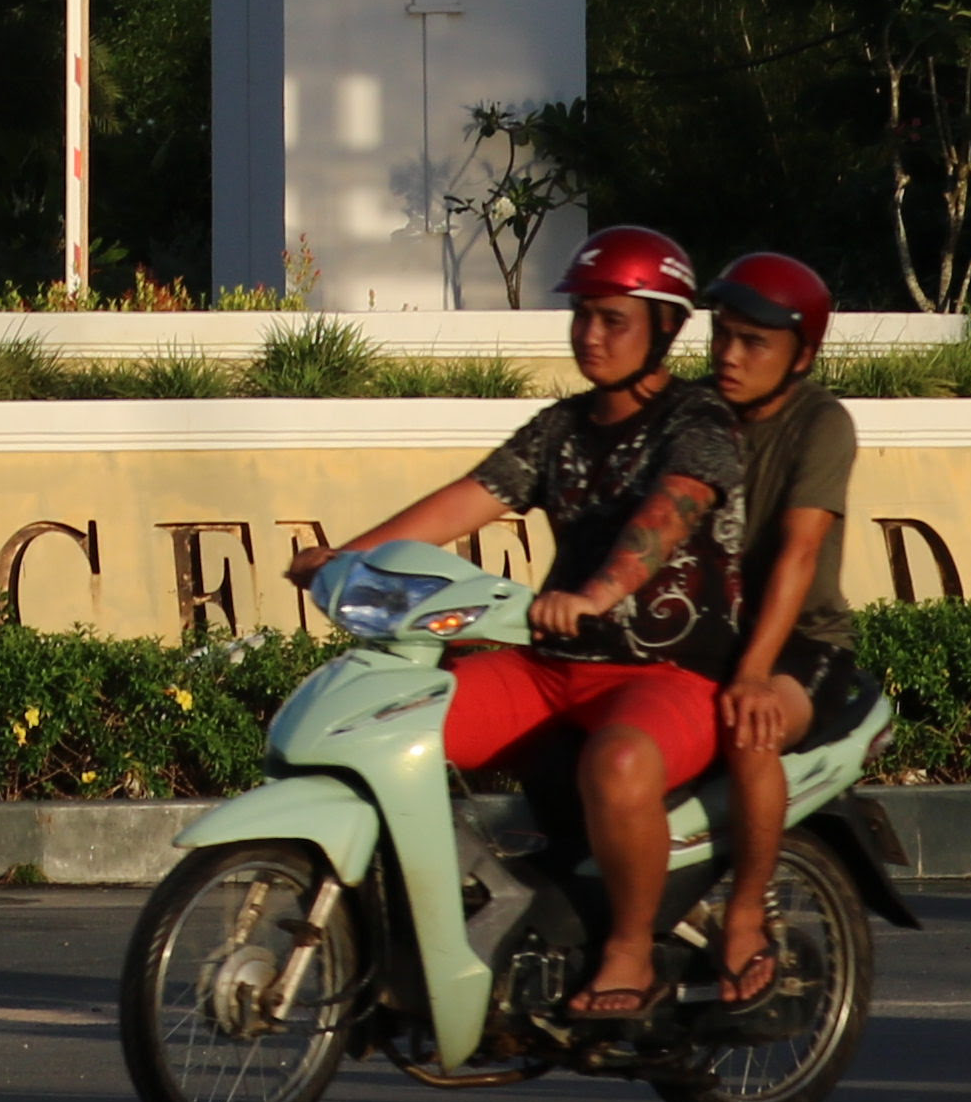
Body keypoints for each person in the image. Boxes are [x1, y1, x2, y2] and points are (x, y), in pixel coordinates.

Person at [293, 223, 743, 1025]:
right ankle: (436, 937)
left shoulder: (700, 422)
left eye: (614, 319)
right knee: (400, 721)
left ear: (666, 327)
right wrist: (344, 558)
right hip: (548, 665)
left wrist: (601, 593)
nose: (591, 335)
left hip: (667, 674)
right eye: (582, 316)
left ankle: (631, 950)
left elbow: (668, 517)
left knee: (618, 765)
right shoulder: (561, 428)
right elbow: (467, 499)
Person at [685, 249, 861, 1008]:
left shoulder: (821, 423)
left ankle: (747, 915)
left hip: (801, 646)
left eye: (754, 342)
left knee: (750, 728)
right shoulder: (693, 412)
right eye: (722, 336)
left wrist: (755, 672)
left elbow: (798, 553)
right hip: (701, 635)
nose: (730, 355)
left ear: (803, 356)